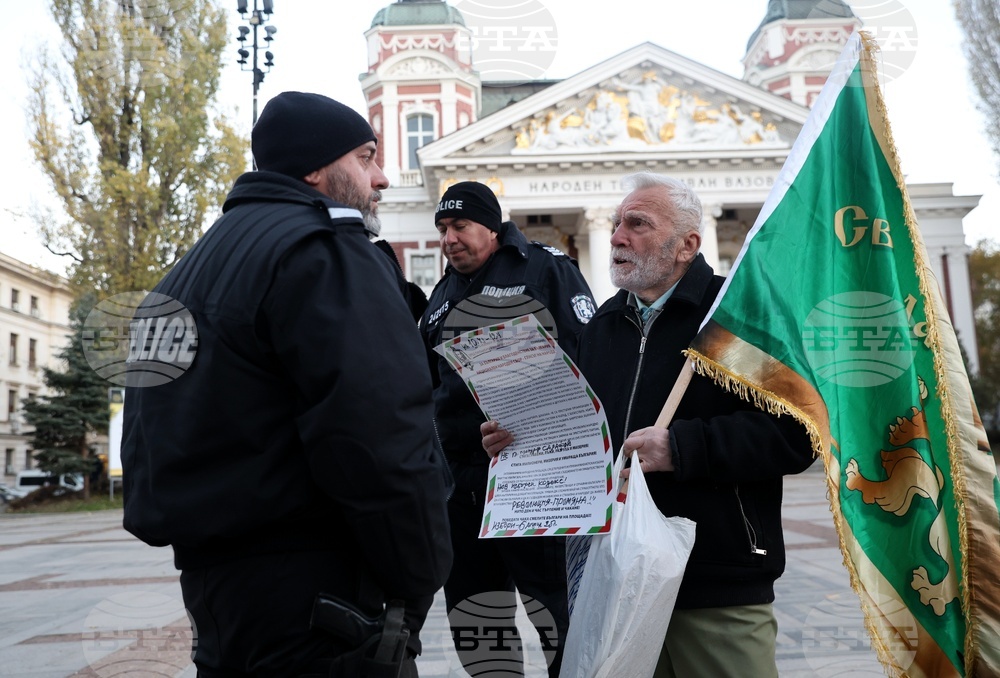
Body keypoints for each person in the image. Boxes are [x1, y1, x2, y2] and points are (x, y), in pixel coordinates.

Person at [121, 91, 452, 678]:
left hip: (219, 585)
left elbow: (150, 436)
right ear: (316, 167)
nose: (381, 179)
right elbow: (378, 431)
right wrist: (421, 572)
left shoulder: (188, 269)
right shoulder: (324, 249)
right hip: (316, 593)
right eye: (367, 157)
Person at [482, 172, 815, 677]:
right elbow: (590, 436)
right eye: (616, 223)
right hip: (620, 578)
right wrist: (523, 440)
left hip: (714, 580)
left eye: (636, 223)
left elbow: (797, 435)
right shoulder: (602, 326)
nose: (617, 236)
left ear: (687, 244)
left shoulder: (737, 319)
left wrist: (682, 448)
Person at [419, 181, 597, 676]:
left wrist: (531, 422)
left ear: (492, 228)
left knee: (560, 624)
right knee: (478, 627)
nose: (449, 238)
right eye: (442, 229)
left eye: (460, 226)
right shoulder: (440, 295)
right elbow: (426, 387)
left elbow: (591, 363)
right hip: (464, 492)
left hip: (535, 484)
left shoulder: (545, 269)